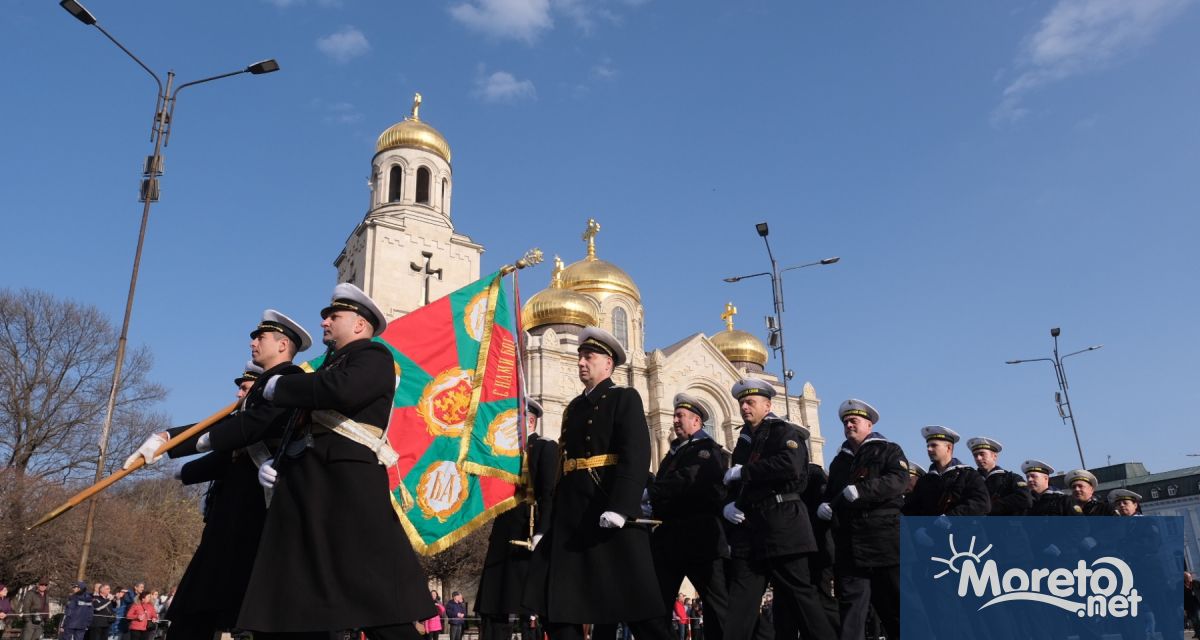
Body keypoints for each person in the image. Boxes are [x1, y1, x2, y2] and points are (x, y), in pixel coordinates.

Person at [242, 283, 434, 639]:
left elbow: (341, 390)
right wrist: (278, 462)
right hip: (312, 485)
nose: (325, 323)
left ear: (360, 324)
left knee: (376, 594)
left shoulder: (373, 356)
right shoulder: (332, 365)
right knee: (301, 593)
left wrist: (278, 388)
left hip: (348, 485)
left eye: (334, 316)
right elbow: (301, 425)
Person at [131, 312, 310, 640]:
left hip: (261, 512)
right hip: (234, 514)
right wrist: (169, 463)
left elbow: (243, 431)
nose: (253, 342)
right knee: (200, 605)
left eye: (261, 337)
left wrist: (171, 441)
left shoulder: (288, 380)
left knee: (270, 610)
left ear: (283, 344)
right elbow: (229, 452)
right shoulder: (265, 389)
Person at [524, 326, 669, 640]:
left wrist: (621, 506)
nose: (581, 363)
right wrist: (545, 526)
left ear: (608, 364)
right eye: (579, 356)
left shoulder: (623, 397)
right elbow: (562, 468)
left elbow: (636, 453)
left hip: (606, 506)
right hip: (572, 514)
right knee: (555, 603)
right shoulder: (574, 408)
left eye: (588, 356)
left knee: (638, 607)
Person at [721, 379, 836, 640]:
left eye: (750, 402)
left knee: (800, 596)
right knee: (741, 601)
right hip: (750, 529)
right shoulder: (745, 440)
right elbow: (735, 481)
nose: (744, 407)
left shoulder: (782, 431)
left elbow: (790, 466)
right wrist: (728, 504)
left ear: (767, 405)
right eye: (741, 403)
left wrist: (746, 472)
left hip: (783, 524)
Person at [816, 399, 906, 640]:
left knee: (895, 603)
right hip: (851, 543)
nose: (848, 425)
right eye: (845, 422)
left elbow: (898, 481)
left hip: (884, 539)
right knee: (852, 606)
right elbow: (832, 492)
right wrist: (825, 505)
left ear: (868, 424)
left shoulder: (888, 450)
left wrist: (864, 490)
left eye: (853, 420)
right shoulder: (840, 461)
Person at [647, 393, 729, 640]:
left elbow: (688, 479)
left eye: (681, 416)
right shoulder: (672, 453)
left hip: (699, 537)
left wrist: (650, 492)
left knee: (717, 604)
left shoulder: (707, 450)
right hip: (669, 537)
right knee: (656, 604)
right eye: (675, 416)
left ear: (697, 422)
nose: (675, 421)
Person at [475, 399, 559, 640]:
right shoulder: (502, 451)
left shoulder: (544, 447)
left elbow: (548, 494)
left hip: (527, 530)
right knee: (495, 604)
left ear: (530, 421)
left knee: (528, 607)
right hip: (502, 532)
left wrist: (542, 531)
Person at [901, 426, 990, 516]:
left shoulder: (968, 475)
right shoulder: (925, 481)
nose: (929, 449)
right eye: (928, 446)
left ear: (948, 448)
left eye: (934, 445)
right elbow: (911, 510)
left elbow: (981, 503)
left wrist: (951, 518)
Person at [966, 437, 1032, 515]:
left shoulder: (1011, 479)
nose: (978, 458)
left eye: (982, 454)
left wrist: (990, 506)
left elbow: (1025, 499)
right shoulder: (969, 479)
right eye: (975, 455)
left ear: (994, 456)